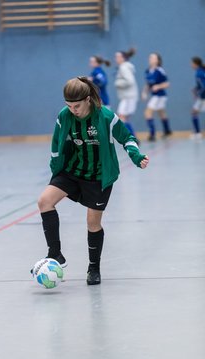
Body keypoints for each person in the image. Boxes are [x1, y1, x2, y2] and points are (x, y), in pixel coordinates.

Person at [35, 77, 149, 286]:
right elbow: (55, 145)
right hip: (71, 171)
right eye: (69, 106)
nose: (73, 110)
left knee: (92, 222)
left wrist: (136, 156)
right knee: (44, 201)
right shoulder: (64, 117)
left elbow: (127, 138)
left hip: (97, 177)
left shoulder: (105, 116)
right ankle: (55, 254)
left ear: (87, 99)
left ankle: (93, 267)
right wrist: (55, 172)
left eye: (76, 106)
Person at [142, 53, 172, 141]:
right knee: (161, 113)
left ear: (157, 60)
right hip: (155, 95)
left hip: (160, 95)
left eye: (153, 57)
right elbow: (148, 84)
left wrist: (158, 86)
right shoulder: (148, 71)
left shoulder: (160, 70)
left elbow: (167, 84)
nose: (150, 59)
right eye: (150, 57)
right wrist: (144, 92)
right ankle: (167, 131)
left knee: (147, 113)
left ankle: (152, 134)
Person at [114, 48, 139, 137]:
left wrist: (118, 83)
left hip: (128, 97)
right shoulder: (124, 67)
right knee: (124, 118)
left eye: (117, 56)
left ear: (123, 58)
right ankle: (132, 137)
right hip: (127, 96)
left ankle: (132, 137)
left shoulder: (124, 67)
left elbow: (130, 81)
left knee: (121, 117)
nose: (116, 58)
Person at [190, 56, 205, 139]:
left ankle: (198, 133)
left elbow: (204, 86)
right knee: (194, 112)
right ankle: (197, 133)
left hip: (203, 97)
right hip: (202, 97)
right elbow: (201, 85)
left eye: (192, 63)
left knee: (194, 112)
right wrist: (195, 89)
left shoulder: (199, 73)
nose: (191, 65)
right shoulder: (201, 71)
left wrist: (198, 93)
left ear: (196, 64)